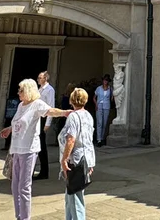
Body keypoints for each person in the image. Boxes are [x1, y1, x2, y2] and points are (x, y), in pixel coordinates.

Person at [0, 79, 70, 220]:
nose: (18, 93)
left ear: (28, 91)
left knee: (24, 187)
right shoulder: (20, 105)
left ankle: (25, 217)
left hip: (28, 150)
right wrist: (9, 129)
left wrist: (65, 113)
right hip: (16, 149)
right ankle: (18, 216)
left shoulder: (37, 104)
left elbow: (50, 111)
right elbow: (17, 121)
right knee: (15, 186)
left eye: (21, 90)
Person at [59, 87, 96, 220]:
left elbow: (71, 139)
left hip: (76, 160)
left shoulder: (73, 117)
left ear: (72, 100)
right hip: (86, 158)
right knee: (71, 194)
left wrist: (64, 159)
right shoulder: (88, 115)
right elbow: (89, 139)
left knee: (75, 196)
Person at [35, 71, 56, 180]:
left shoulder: (49, 90)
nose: (38, 79)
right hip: (38, 118)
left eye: (40, 78)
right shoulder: (39, 89)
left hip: (43, 118)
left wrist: (48, 123)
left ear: (45, 79)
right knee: (37, 145)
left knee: (42, 146)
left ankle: (44, 172)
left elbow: (51, 106)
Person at [93, 75, 113, 147]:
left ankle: (102, 138)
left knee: (104, 123)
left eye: (106, 80)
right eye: (104, 80)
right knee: (99, 122)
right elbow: (94, 98)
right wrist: (96, 104)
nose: (105, 81)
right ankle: (99, 139)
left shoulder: (110, 89)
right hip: (99, 106)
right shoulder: (99, 88)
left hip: (106, 106)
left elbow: (112, 98)